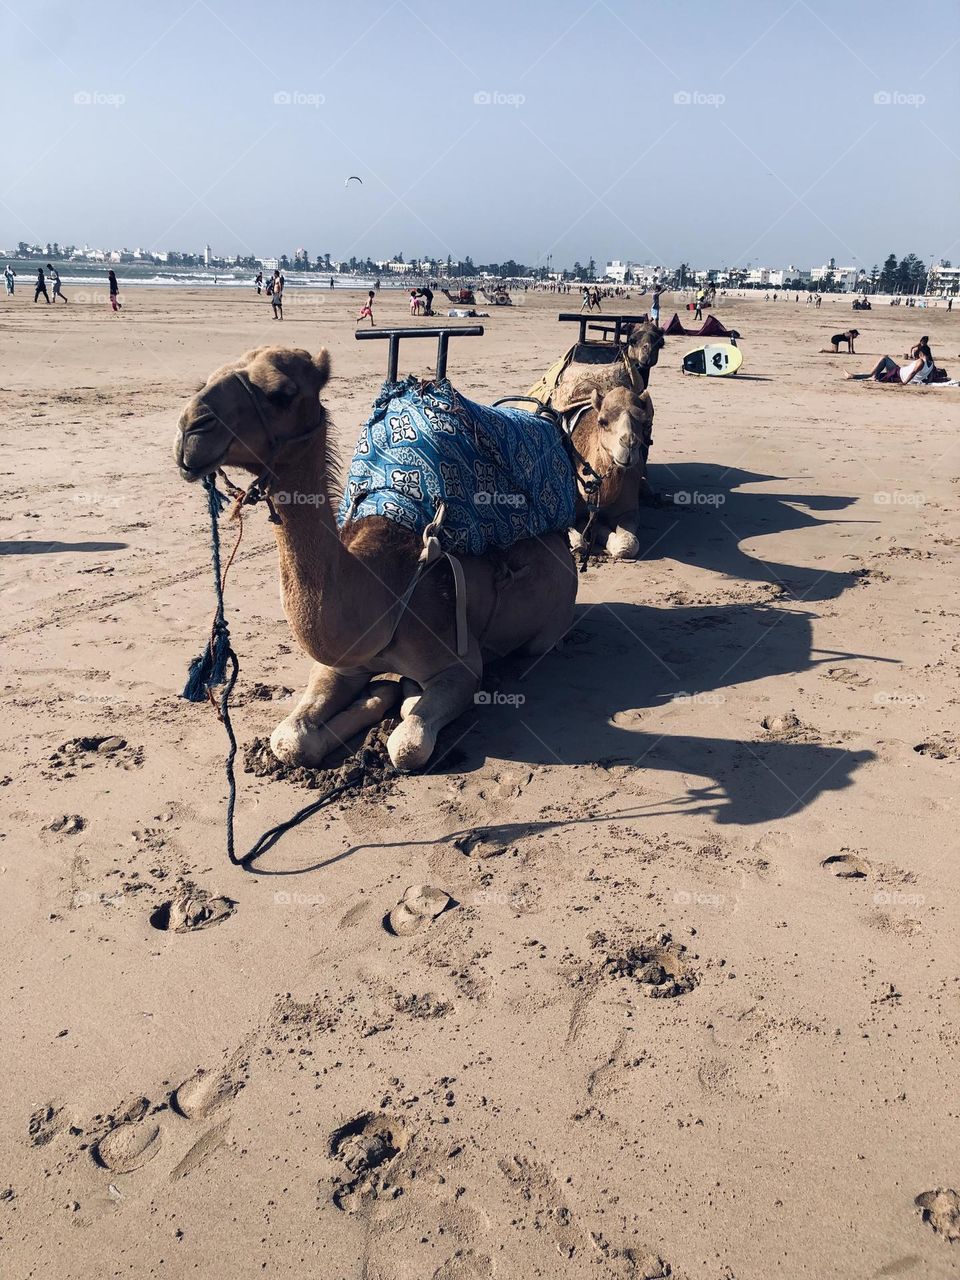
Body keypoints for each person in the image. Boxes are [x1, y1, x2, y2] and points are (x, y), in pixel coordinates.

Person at [844, 352, 936, 385]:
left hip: (900, 373)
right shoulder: (931, 364)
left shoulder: (921, 362)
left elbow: (913, 373)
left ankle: (856, 376)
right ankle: (873, 375)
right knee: (885, 361)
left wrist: (904, 383)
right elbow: (930, 377)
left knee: (884, 358)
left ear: (922, 354)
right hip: (900, 372)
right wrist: (927, 382)